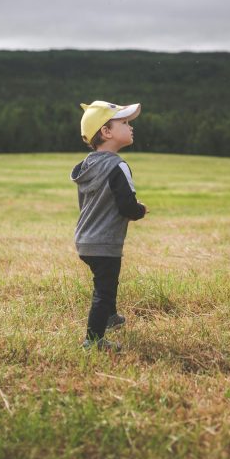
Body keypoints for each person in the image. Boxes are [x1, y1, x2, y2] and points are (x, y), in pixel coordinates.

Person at [70, 100, 148, 351]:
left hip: (85, 238)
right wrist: (140, 210)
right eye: (124, 122)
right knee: (103, 291)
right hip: (104, 242)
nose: (130, 127)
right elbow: (126, 206)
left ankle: (111, 317)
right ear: (106, 132)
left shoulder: (88, 165)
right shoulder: (118, 166)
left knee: (106, 282)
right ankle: (93, 340)